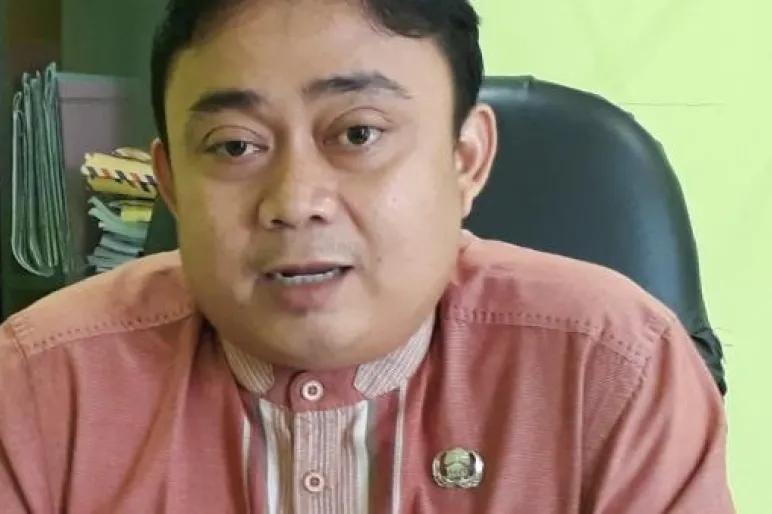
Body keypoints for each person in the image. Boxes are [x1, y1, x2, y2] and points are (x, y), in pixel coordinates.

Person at [0, 0, 735, 512]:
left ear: (465, 159)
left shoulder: (612, 366)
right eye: (235, 146)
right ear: (170, 185)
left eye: (357, 134)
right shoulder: (40, 385)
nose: (295, 200)